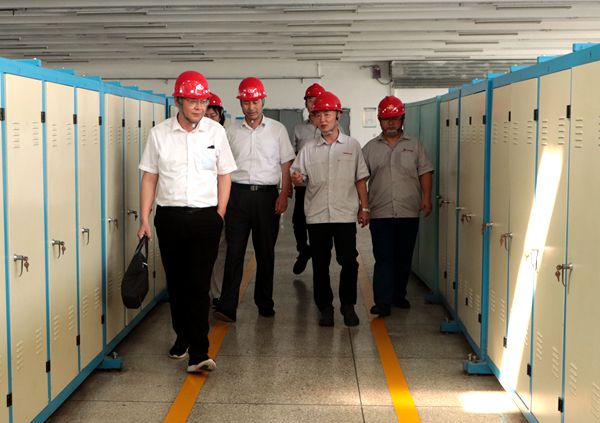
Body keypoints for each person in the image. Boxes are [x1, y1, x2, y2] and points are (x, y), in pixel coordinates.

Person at [137, 71, 237, 373]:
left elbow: (225, 175)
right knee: (177, 284)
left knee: (198, 285)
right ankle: (182, 335)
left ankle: (199, 352)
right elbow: (150, 177)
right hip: (170, 217)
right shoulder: (160, 134)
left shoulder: (215, 132)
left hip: (206, 218)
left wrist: (219, 213)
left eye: (203, 101)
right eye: (192, 101)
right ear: (178, 101)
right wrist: (145, 217)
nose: (198, 106)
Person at [214, 77, 295, 323]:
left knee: (265, 252)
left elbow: (286, 164)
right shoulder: (230, 132)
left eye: (255, 102)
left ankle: (265, 302)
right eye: (246, 102)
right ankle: (227, 306)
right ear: (241, 104)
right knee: (234, 252)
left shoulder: (277, 130)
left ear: (263, 101)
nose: (251, 107)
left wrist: (284, 193)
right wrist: (222, 201)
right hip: (237, 196)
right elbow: (222, 168)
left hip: (267, 197)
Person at [290, 91, 370, 327]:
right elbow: (299, 175)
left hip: (344, 214)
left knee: (349, 261)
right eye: (318, 115)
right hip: (317, 216)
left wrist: (364, 207)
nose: (323, 119)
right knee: (320, 264)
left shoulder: (352, 146)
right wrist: (297, 178)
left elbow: (360, 179)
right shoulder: (308, 149)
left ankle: (348, 306)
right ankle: (325, 308)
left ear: (338, 115)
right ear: (313, 118)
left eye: (327, 114)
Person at [362, 95, 434, 317]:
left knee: (403, 257)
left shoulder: (414, 145)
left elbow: (425, 171)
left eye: (395, 118)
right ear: (379, 120)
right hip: (380, 212)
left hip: (408, 210)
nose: (391, 123)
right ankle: (382, 302)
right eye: (386, 119)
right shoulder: (370, 148)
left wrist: (426, 197)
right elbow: (360, 179)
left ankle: (398, 295)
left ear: (403, 119)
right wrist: (363, 207)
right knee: (383, 258)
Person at [290, 83, 325, 275]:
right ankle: (304, 251)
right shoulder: (298, 129)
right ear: (306, 103)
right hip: (303, 184)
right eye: (311, 100)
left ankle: (320, 256)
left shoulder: (333, 126)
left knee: (319, 224)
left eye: (318, 100)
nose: (314, 104)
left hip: (324, 186)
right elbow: (291, 156)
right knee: (298, 220)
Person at [205, 92, 227, 307]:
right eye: (206, 115)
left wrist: (222, 210)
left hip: (221, 204)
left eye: (214, 115)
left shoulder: (224, 137)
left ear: (220, 116)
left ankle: (217, 294)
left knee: (220, 251)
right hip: (199, 205)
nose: (210, 119)